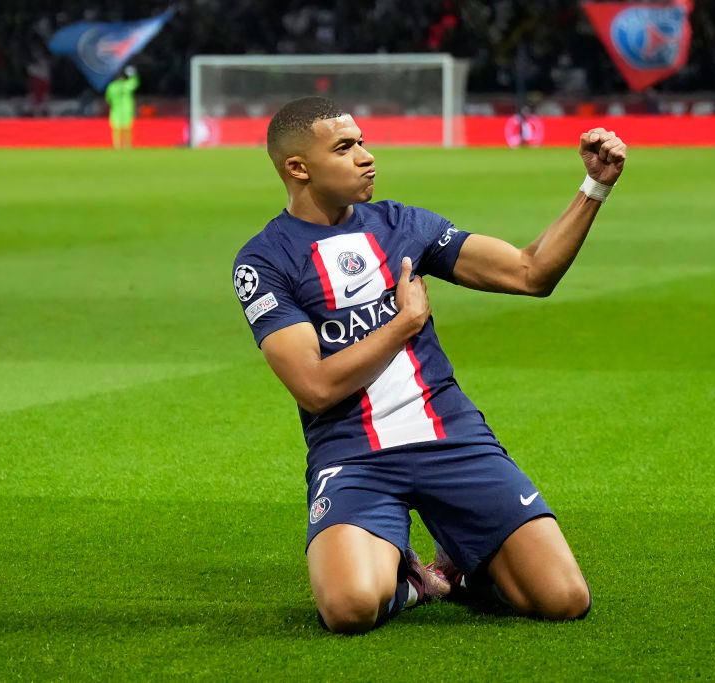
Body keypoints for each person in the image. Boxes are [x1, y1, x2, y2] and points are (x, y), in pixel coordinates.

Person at [232, 96, 626, 634]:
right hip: (354, 453)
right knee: (348, 610)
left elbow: (530, 273)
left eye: (363, 142)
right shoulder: (265, 260)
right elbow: (315, 388)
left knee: (563, 599)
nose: (366, 156)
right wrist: (401, 325)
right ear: (297, 168)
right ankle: (410, 578)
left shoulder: (404, 225)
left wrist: (595, 187)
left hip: (451, 438)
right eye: (345, 148)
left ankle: (461, 566)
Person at [105, 66, 139, 148]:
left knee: (116, 128)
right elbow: (135, 82)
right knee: (127, 128)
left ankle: (116, 145)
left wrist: (111, 104)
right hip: (127, 109)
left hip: (116, 109)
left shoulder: (112, 86)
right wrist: (133, 74)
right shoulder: (126, 85)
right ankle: (127, 144)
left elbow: (108, 98)